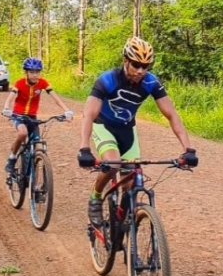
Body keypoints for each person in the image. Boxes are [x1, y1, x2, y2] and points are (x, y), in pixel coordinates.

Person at [76, 36, 198, 227]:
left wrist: (188, 149)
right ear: (126, 61)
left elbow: (171, 114)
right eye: (136, 64)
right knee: (113, 164)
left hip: (127, 130)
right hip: (104, 126)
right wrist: (84, 148)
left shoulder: (151, 82)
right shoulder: (107, 80)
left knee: (130, 181)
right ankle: (95, 197)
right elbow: (89, 114)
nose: (140, 70)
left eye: (145, 66)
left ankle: (121, 224)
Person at [2, 57, 74, 174]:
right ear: (26, 72)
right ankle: (12, 158)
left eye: (37, 72)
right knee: (23, 133)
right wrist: (6, 108)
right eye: (31, 72)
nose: (34, 75)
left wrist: (67, 110)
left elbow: (56, 98)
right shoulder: (20, 83)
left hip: (32, 117)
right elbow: (10, 98)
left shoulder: (43, 83)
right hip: (18, 115)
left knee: (37, 144)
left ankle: (34, 175)